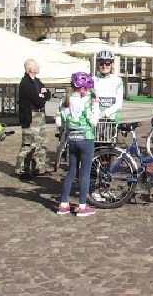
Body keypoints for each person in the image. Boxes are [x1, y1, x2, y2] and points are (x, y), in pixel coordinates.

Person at [56, 72, 99, 217]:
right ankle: (82, 206)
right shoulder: (86, 101)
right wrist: (96, 106)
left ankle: (63, 205)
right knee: (85, 172)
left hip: (72, 138)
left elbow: (59, 121)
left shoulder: (64, 100)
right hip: (86, 138)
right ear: (83, 88)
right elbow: (93, 121)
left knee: (71, 172)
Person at [16, 59, 52, 179]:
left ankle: (39, 168)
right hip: (30, 116)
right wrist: (41, 97)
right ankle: (22, 169)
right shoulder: (25, 83)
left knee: (42, 142)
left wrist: (43, 95)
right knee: (29, 143)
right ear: (30, 69)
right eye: (36, 65)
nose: (38, 66)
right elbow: (36, 100)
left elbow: (48, 94)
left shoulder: (37, 81)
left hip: (40, 115)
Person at [93, 50, 123, 123]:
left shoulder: (117, 80)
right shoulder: (93, 80)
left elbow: (119, 103)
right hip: (95, 118)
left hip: (112, 118)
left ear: (111, 65)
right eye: (102, 64)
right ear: (98, 65)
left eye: (107, 64)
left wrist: (105, 113)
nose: (104, 66)